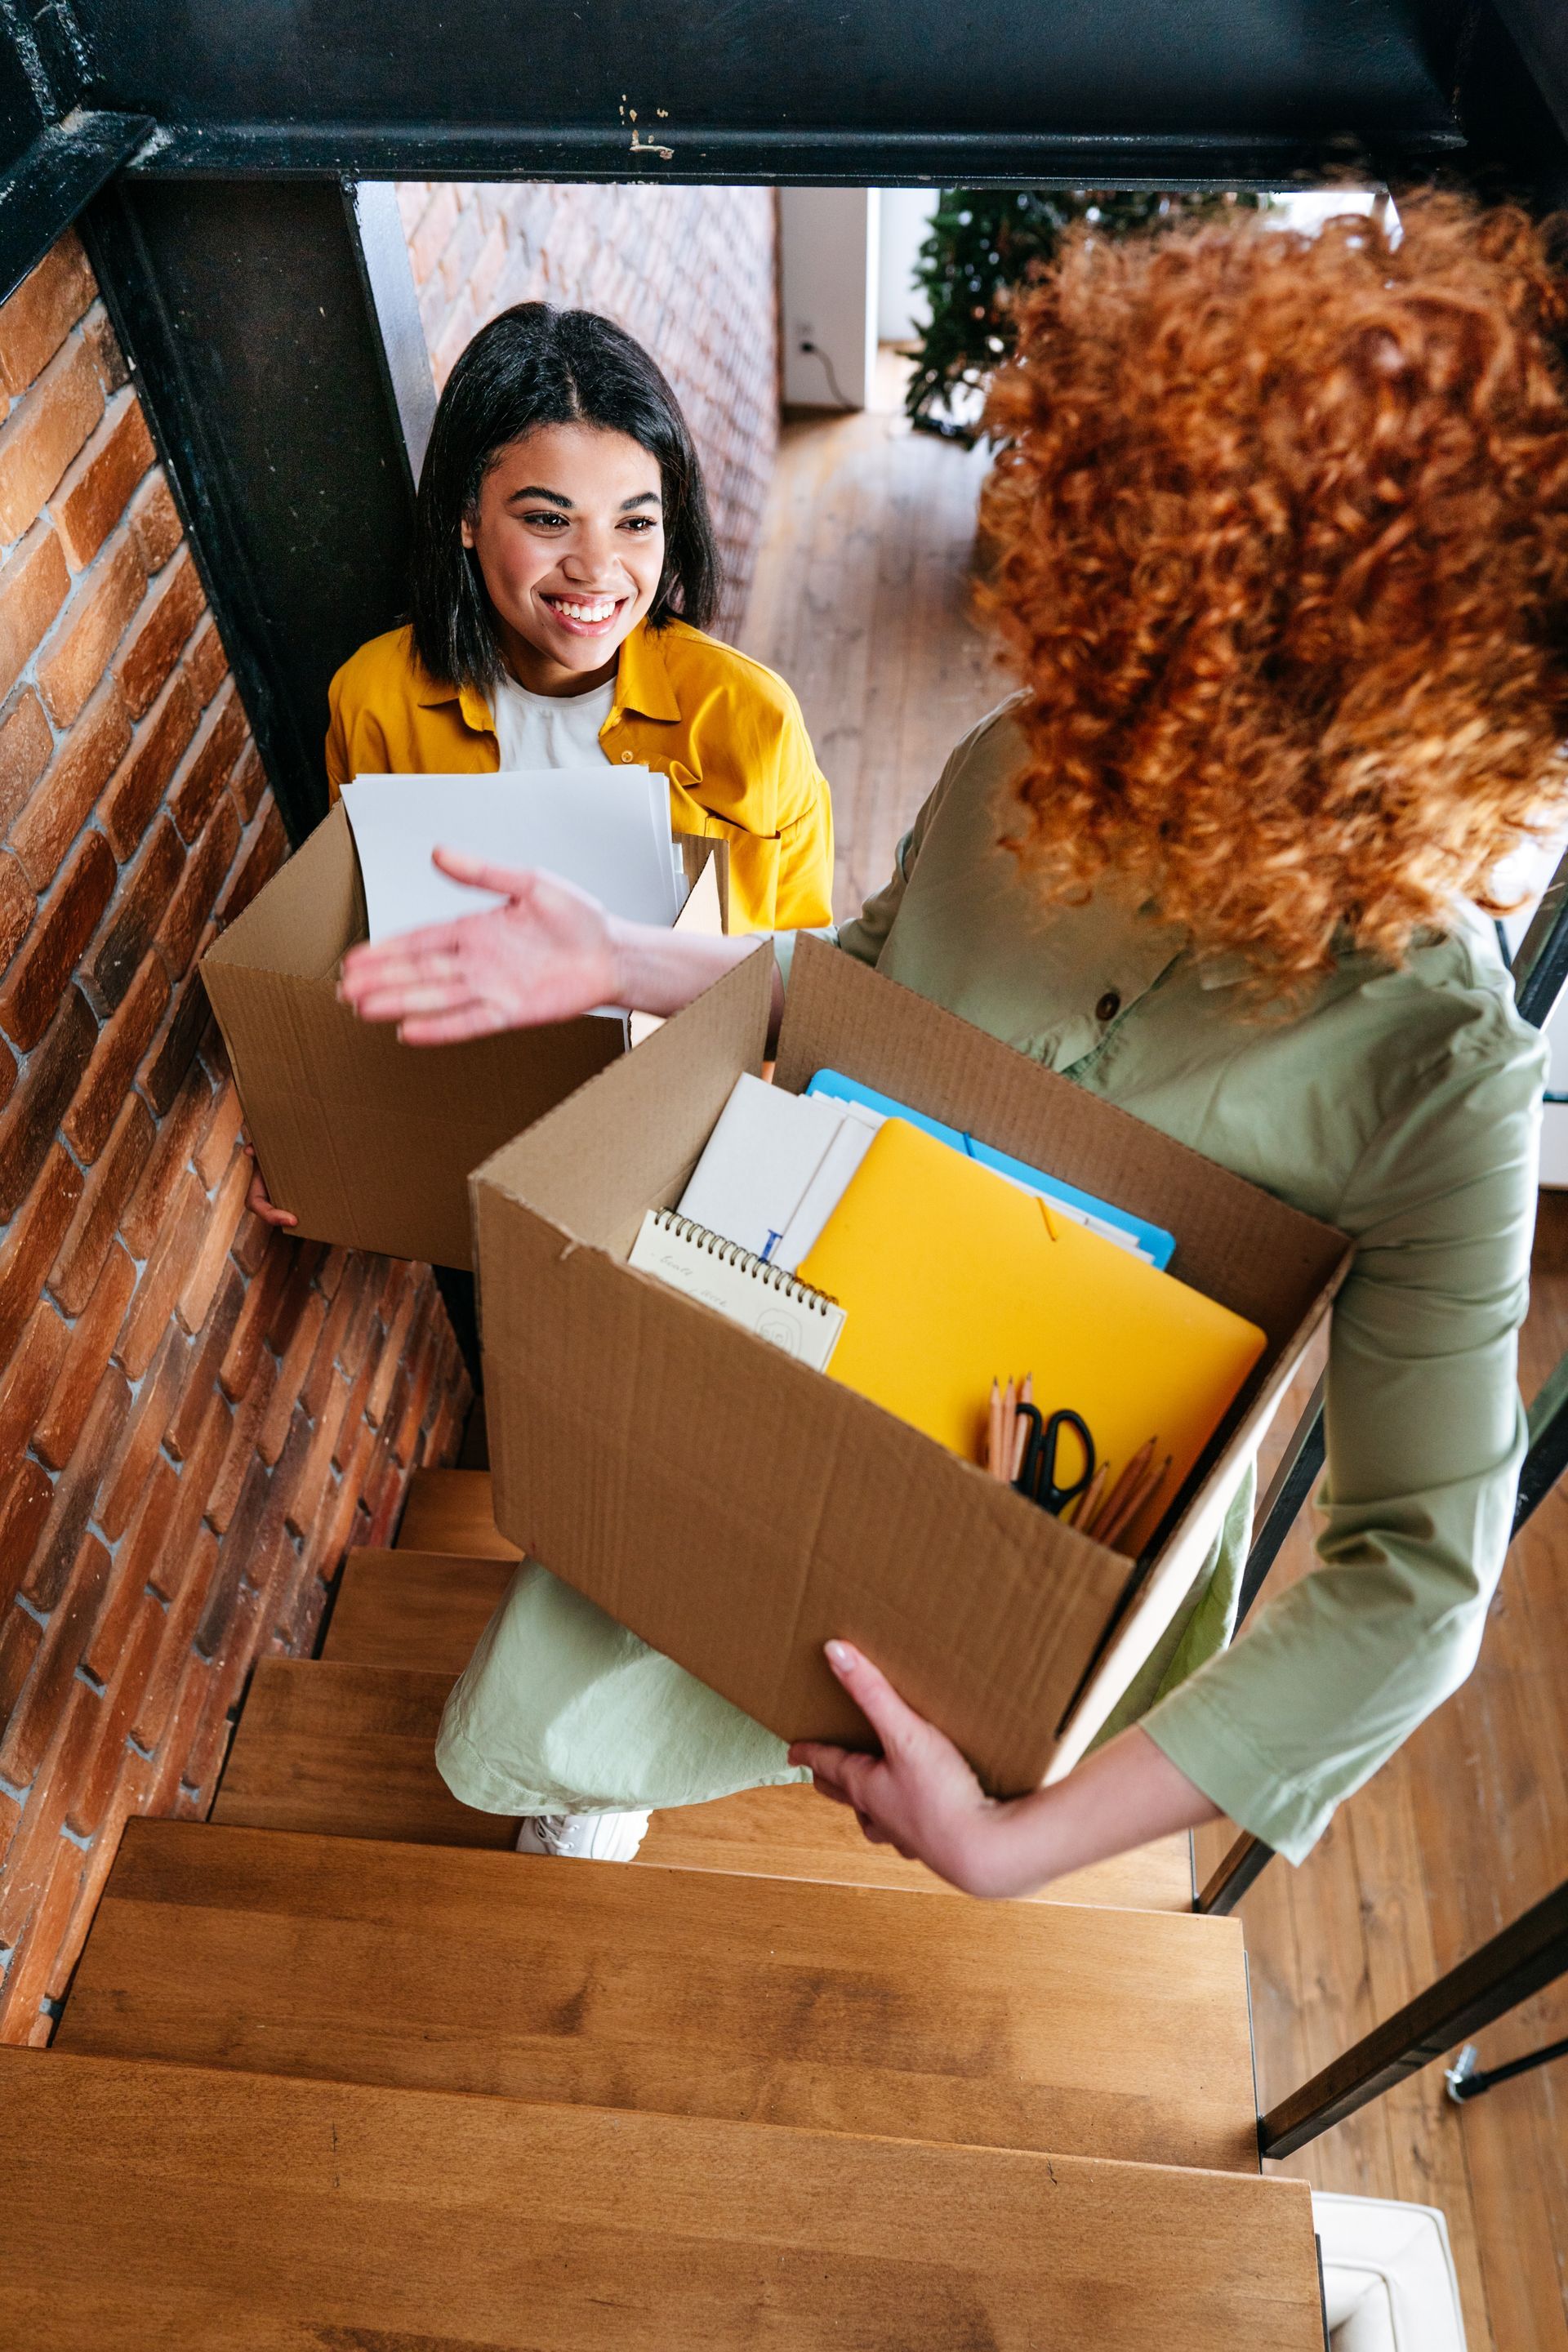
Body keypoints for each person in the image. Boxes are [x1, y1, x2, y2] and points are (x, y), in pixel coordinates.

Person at [339, 192, 1568, 1891]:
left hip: (1038, 1516)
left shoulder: (1442, 1082)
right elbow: (855, 975)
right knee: (642, 1649)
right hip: (788, 1335)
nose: (1073, 688)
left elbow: (1415, 1583)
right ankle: (613, 1766)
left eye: (1163, 664)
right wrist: (618, 948)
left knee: (876, 1685)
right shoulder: (1030, 756)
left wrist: (1022, 1844)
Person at [247, 303, 836, 1374]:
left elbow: (803, 965)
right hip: (481, 1143)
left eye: (637, 521)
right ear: (468, 516)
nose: (597, 570)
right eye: (550, 519)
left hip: (685, 1161)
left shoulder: (747, 721)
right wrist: (323, 1133)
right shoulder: (376, 699)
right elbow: (364, 946)